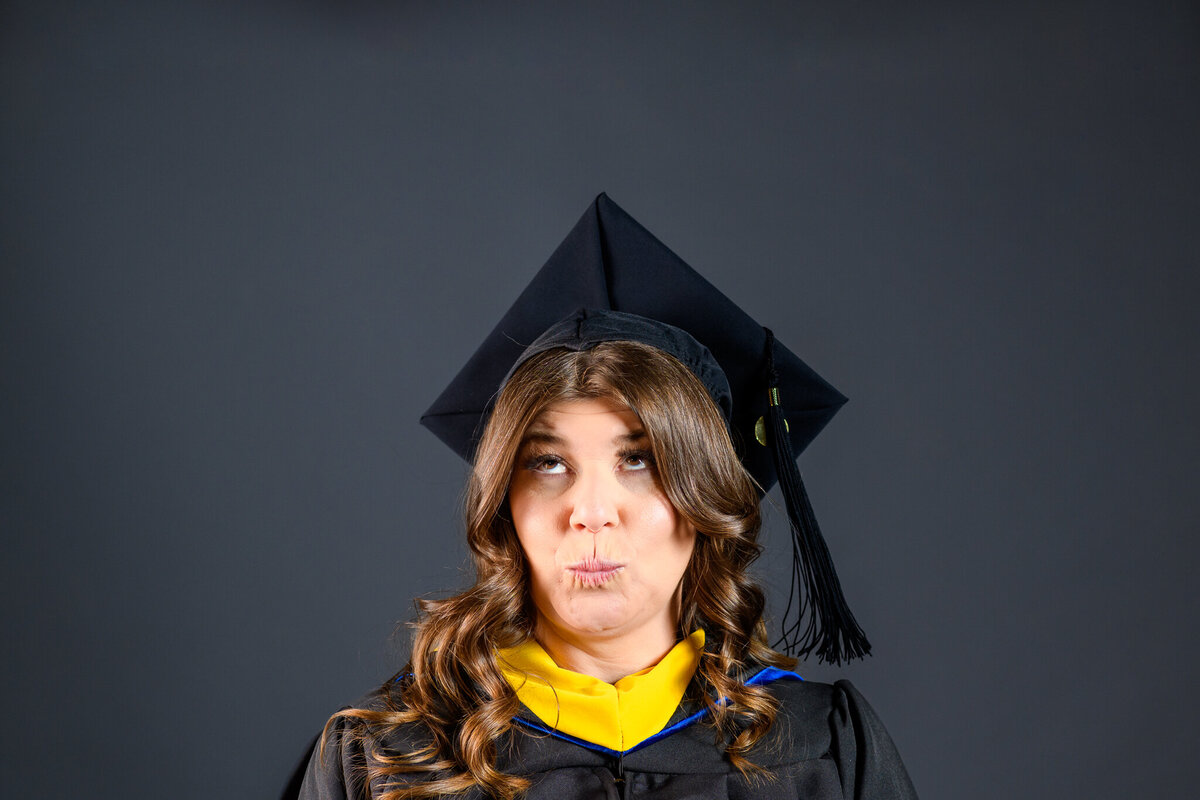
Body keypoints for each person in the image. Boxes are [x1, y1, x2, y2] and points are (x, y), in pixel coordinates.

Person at [298, 195, 918, 800]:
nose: (591, 511)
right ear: (503, 503)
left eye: (640, 459)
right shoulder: (384, 763)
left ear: (706, 494)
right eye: (548, 463)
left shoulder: (824, 751)